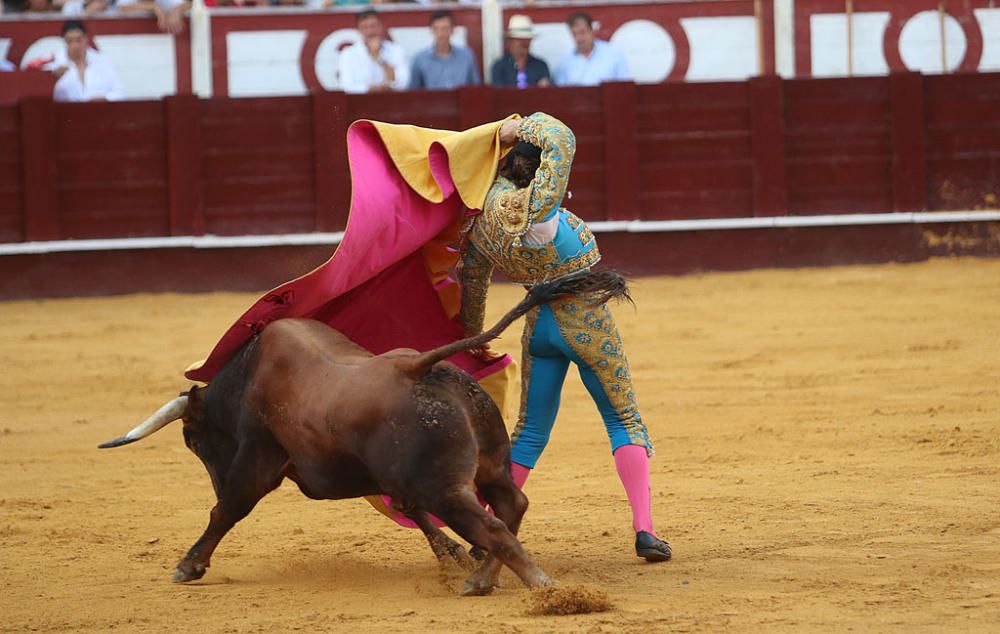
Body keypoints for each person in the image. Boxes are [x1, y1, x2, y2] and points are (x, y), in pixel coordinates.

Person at [457, 112, 672, 562]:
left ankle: (485, 530)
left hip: (538, 329)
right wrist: (518, 128)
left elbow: (473, 284)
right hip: (585, 321)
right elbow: (561, 137)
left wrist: (475, 335)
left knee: (531, 431)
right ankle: (645, 531)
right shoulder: (540, 208)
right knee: (623, 421)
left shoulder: (484, 222)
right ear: (540, 175)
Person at [51, 20, 125, 102]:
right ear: (64, 41)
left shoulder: (102, 61)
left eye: (79, 40)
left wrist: (105, 99)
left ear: (86, 39)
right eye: (70, 41)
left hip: (101, 111)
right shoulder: (56, 64)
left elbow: (120, 93)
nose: (75, 46)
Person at [338, 9, 410, 94]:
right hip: (360, 103)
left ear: (380, 27)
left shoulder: (396, 50)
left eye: (373, 26)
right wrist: (369, 89)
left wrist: (380, 59)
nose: (370, 32)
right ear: (359, 30)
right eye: (365, 27)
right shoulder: (348, 54)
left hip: (390, 102)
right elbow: (346, 86)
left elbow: (403, 84)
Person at [409, 10, 481, 91]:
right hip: (432, 103)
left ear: (452, 30)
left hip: (462, 102)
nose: (441, 34)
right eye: (436, 29)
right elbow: (413, 92)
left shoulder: (466, 56)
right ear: (431, 31)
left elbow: (476, 88)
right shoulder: (420, 59)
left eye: (445, 29)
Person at [554, 12, 631, 87]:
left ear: (591, 31)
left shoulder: (613, 55)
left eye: (582, 32)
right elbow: (561, 95)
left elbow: (625, 87)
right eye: (574, 34)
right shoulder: (564, 64)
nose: (579, 38)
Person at [490, 14, 550, 89]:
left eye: (527, 39)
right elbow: (499, 96)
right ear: (510, 41)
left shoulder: (541, 66)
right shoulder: (500, 67)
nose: (525, 43)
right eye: (519, 39)